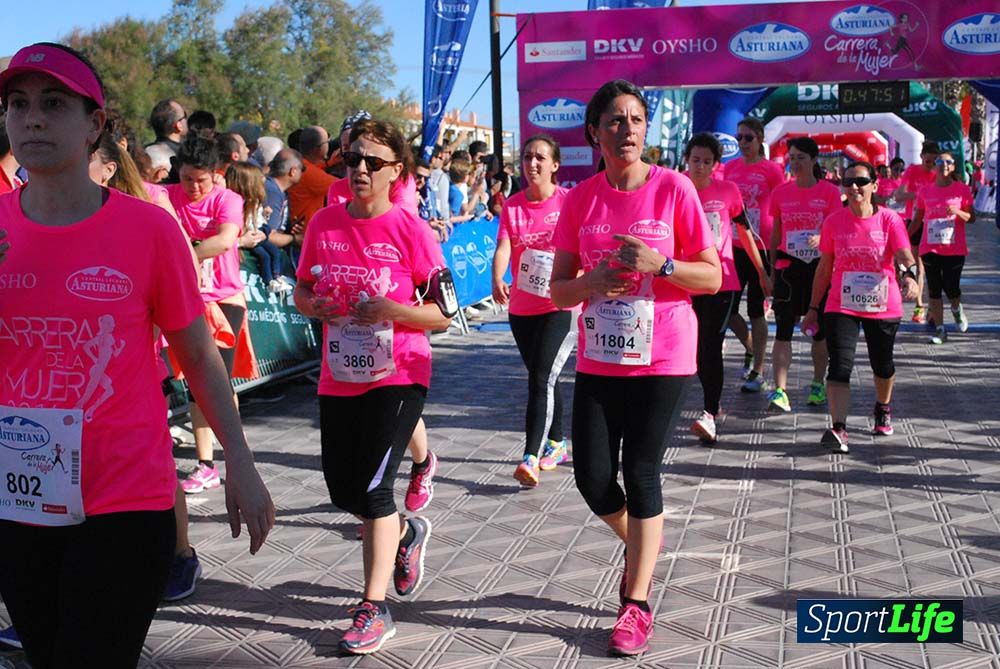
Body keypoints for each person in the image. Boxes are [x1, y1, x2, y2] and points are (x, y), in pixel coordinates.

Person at [0, 41, 274, 668]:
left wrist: (240, 461)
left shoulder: (149, 230)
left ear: (95, 124)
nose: (32, 118)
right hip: (19, 496)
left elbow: (200, 356)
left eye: (53, 103)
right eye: (18, 104)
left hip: (124, 498)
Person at [550, 79, 721, 656]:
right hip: (601, 354)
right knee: (593, 477)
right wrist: (591, 283)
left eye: (636, 119)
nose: (627, 129)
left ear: (647, 129)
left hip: (664, 352)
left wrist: (662, 262)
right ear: (595, 132)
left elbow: (712, 276)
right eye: (615, 121)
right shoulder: (580, 199)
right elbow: (557, 291)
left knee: (642, 471)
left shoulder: (674, 189)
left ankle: (637, 602)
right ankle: (642, 545)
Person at [293, 118, 452, 655]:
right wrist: (313, 306)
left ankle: (372, 605)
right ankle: (406, 536)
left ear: (396, 173)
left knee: (373, 490)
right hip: (340, 373)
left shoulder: (413, 230)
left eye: (374, 162)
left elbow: (444, 314)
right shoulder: (324, 223)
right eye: (353, 159)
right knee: (343, 489)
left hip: (401, 373)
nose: (360, 169)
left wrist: (395, 310)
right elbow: (302, 289)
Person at [801, 162, 919, 453]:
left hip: (883, 304)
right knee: (839, 366)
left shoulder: (890, 220)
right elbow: (825, 268)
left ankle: (882, 406)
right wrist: (814, 307)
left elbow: (904, 254)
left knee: (883, 365)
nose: (854, 187)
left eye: (861, 181)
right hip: (841, 303)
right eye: (848, 181)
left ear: (874, 186)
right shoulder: (833, 222)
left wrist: (910, 275)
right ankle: (839, 428)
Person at [166, 136, 250, 494]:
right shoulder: (167, 197)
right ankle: (206, 463)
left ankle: (233, 452)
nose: (195, 187)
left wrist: (187, 250)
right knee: (196, 385)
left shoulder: (228, 199)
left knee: (216, 383)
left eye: (202, 180)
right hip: (183, 301)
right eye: (187, 180)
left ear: (217, 174)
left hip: (224, 300)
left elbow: (225, 239)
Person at [491, 134, 573, 486]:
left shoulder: (569, 202)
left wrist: (579, 276)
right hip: (522, 308)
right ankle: (558, 441)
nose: (532, 164)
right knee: (545, 377)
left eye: (540, 157)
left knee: (540, 378)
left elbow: (583, 248)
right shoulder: (513, 205)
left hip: (560, 304)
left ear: (555, 165)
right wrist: (497, 277)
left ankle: (530, 455)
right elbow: (505, 244)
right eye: (527, 157)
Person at [683, 133, 769, 444]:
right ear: (687, 160)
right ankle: (708, 402)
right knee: (689, 345)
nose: (701, 167)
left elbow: (745, 234)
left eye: (707, 162)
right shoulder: (676, 186)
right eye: (696, 160)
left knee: (709, 343)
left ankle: (708, 413)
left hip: (722, 280)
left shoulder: (728, 191)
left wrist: (762, 272)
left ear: (716, 164)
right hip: (683, 278)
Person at [765, 137, 843, 412]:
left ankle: (817, 384)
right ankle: (780, 390)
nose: (795, 162)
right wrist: (771, 270)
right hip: (789, 266)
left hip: (819, 267)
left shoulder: (830, 193)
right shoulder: (781, 193)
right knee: (783, 330)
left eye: (801, 157)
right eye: (792, 157)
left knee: (818, 332)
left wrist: (821, 236)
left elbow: (837, 228)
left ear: (813, 160)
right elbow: (775, 233)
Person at [724, 117, 784, 392]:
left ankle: (758, 371)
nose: (743, 143)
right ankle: (750, 347)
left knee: (756, 311)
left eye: (748, 138)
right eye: (739, 138)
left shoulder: (771, 170)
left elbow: (781, 208)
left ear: (760, 139)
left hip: (761, 247)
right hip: (734, 246)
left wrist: (777, 247)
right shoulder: (730, 168)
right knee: (727, 310)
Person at [908, 152, 975, 344]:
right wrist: (904, 236)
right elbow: (918, 220)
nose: (943, 164)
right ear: (935, 166)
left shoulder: (961, 190)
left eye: (948, 162)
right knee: (934, 289)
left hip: (954, 248)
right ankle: (940, 330)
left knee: (951, 287)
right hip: (930, 247)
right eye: (940, 161)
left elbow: (972, 218)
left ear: (953, 167)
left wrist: (957, 212)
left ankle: (956, 309)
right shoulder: (925, 191)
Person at [226, 161, 292, 294]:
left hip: (256, 235)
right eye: (260, 184)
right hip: (244, 245)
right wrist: (242, 240)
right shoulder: (231, 206)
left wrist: (264, 231)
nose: (264, 187)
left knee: (274, 252)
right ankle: (269, 281)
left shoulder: (255, 203)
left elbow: (260, 222)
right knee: (265, 256)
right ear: (248, 185)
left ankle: (277, 277)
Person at [894, 141, 941, 324]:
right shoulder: (913, 171)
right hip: (914, 221)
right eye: (928, 161)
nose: (930, 165)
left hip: (933, 224)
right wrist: (918, 195)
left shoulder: (939, 173)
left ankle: (929, 307)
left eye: (933, 161)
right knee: (917, 265)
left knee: (931, 268)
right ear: (922, 157)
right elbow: (898, 195)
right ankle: (920, 305)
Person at [287, 125, 336, 229]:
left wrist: (330, 163)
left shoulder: (300, 164)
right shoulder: (310, 174)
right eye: (327, 142)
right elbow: (345, 186)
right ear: (318, 149)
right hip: (305, 235)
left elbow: (313, 167)